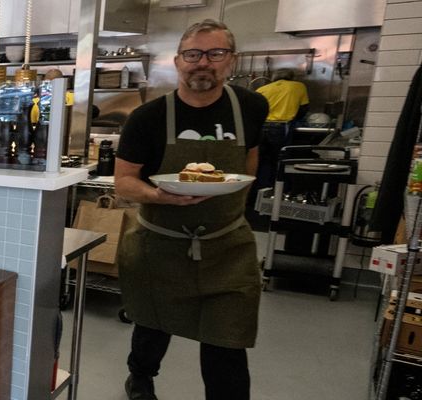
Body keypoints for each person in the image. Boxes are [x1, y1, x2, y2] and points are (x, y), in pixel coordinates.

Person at [113, 20, 267, 400]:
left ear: (231, 60)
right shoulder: (148, 117)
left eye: (215, 53)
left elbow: (249, 162)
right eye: (193, 54)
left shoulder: (250, 107)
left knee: (227, 342)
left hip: (227, 247)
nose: (203, 63)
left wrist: (230, 204)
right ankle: (140, 378)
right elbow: (124, 183)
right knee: (152, 326)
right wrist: (161, 196)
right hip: (162, 244)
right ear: (178, 61)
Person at [253, 68, 309, 193]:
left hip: (261, 127)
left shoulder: (262, 89)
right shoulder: (298, 86)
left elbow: (255, 110)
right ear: (291, 76)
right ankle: (278, 192)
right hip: (281, 127)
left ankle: (258, 192)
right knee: (279, 161)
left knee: (259, 161)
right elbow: (303, 109)